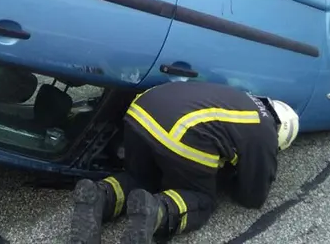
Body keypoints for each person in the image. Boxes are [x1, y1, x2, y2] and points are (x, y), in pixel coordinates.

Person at [68, 80, 300, 244]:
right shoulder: (264, 129)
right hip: (179, 131)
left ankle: (100, 195)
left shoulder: (241, 98)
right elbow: (252, 197)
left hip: (140, 114)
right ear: (281, 132)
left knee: (142, 179)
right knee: (202, 198)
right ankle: (157, 211)